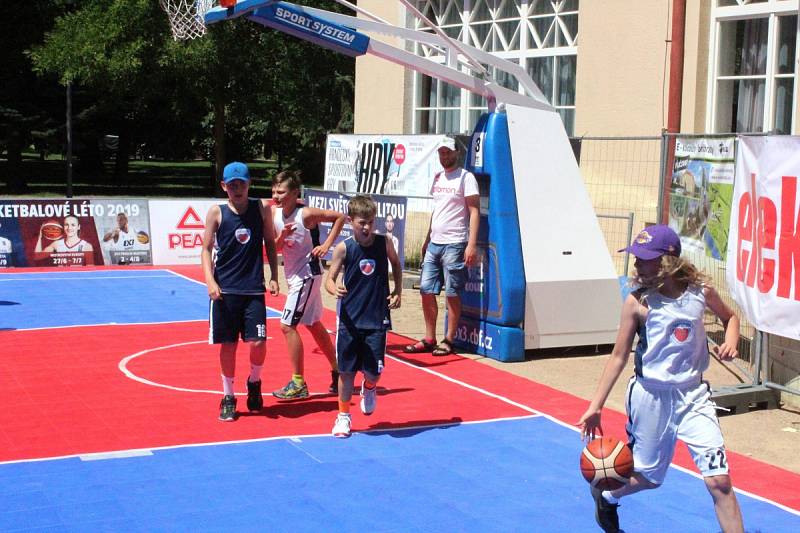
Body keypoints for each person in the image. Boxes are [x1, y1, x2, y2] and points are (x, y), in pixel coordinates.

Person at [577, 224, 744, 533]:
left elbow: (730, 317)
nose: (637, 264)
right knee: (650, 479)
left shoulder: (700, 293)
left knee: (719, 482)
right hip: (650, 396)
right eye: (636, 258)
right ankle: (608, 495)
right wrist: (595, 405)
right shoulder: (637, 302)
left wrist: (732, 339)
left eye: (644, 258)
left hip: (693, 396)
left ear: (668, 261)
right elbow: (618, 356)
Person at [201, 161, 280, 421]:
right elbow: (206, 249)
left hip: (253, 289)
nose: (237, 189)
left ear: (249, 185)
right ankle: (228, 396)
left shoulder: (261, 209)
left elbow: (269, 240)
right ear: (224, 186)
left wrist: (274, 277)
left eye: (241, 184)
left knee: (258, 342)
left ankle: (254, 381)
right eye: (232, 184)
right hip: (225, 291)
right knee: (228, 345)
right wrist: (210, 281)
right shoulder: (217, 212)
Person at [325, 195, 402, 438]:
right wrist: (333, 287)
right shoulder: (344, 248)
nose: (367, 227)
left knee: (374, 372)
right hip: (349, 319)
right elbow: (330, 277)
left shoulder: (384, 243)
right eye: (362, 223)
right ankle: (343, 417)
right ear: (350, 221)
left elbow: (397, 265)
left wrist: (398, 290)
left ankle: (369, 387)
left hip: (377, 318)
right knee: (346, 371)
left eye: (370, 222)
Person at [270, 170, 345, 399]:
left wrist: (326, 246)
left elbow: (341, 217)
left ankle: (298, 382)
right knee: (313, 324)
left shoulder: (307, 214)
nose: (276, 195)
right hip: (294, 276)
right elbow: (276, 248)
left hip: (307, 275)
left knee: (286, 325)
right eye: (274, 191)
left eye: (281, 192)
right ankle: (338, 370)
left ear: (294, 193)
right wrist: (282, 237)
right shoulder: (275, 214)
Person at [404, 136, 479, 356]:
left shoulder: (466, 178)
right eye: (441, 152)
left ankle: (449, 339)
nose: (444, 156)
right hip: (435, 242)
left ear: (456, 153)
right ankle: (429, 337)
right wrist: (427, 238)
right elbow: (437, 210)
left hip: (455, 242)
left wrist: (471, 244)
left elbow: (474, 211)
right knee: (426, 289)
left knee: (452, 292)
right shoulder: (438, 177)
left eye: (448, 152)